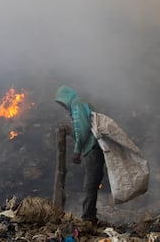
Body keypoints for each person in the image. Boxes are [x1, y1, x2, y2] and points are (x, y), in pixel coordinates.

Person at [55, 85, 105, 224]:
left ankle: (88, 218)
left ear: (66, 98)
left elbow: (82, 131)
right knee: (92, 182)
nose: (63, 107)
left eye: (62, 103)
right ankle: (90, 216)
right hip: (96, 146)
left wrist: (77, 151)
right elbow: (82, 130)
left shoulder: (77, 104)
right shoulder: (81, 103)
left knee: (90, 184)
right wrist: (70, 131)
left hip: (93, 148)